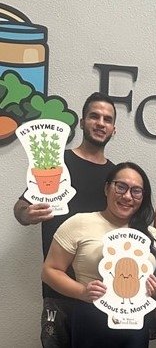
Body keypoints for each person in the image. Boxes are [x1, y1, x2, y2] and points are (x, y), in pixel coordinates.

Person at [13, 92, 117, 347]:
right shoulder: (56, 163)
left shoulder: (115, 177)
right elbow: (21, 207)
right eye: (94, 116)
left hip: (99, 292)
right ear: (82, 122)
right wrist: (26, 214)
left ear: (114, 129)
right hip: (57, 290)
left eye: (107, 119)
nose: (100, 123)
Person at [41, 162, 156, 348]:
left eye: (136, 190)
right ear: (107, 188)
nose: (127, 196)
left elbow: (155, 283)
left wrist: (155, 290)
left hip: (135, 324)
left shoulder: (151, 235)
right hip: (90, 320)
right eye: (121, 187)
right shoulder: (79, 223)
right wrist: (82, 292)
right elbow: (50, 271)